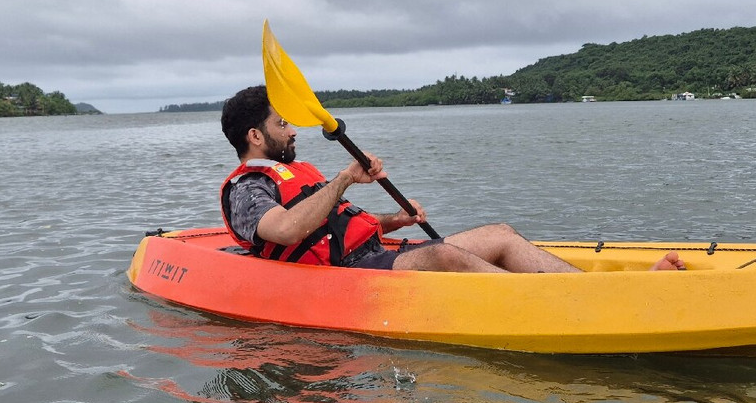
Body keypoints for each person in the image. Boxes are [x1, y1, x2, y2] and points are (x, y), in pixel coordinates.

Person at [220, 85, 687, 273]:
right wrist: (343, 179)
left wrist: (396, 220)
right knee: (443, 253)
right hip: (347, 278)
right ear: (256, 135)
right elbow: (284, 231)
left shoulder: (298, 172)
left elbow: (335, 227)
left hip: (375, 255)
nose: (293, 129)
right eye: (283, 124)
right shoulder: (247, 188)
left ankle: (594, 292)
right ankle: (570, 307)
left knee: (500, 234)